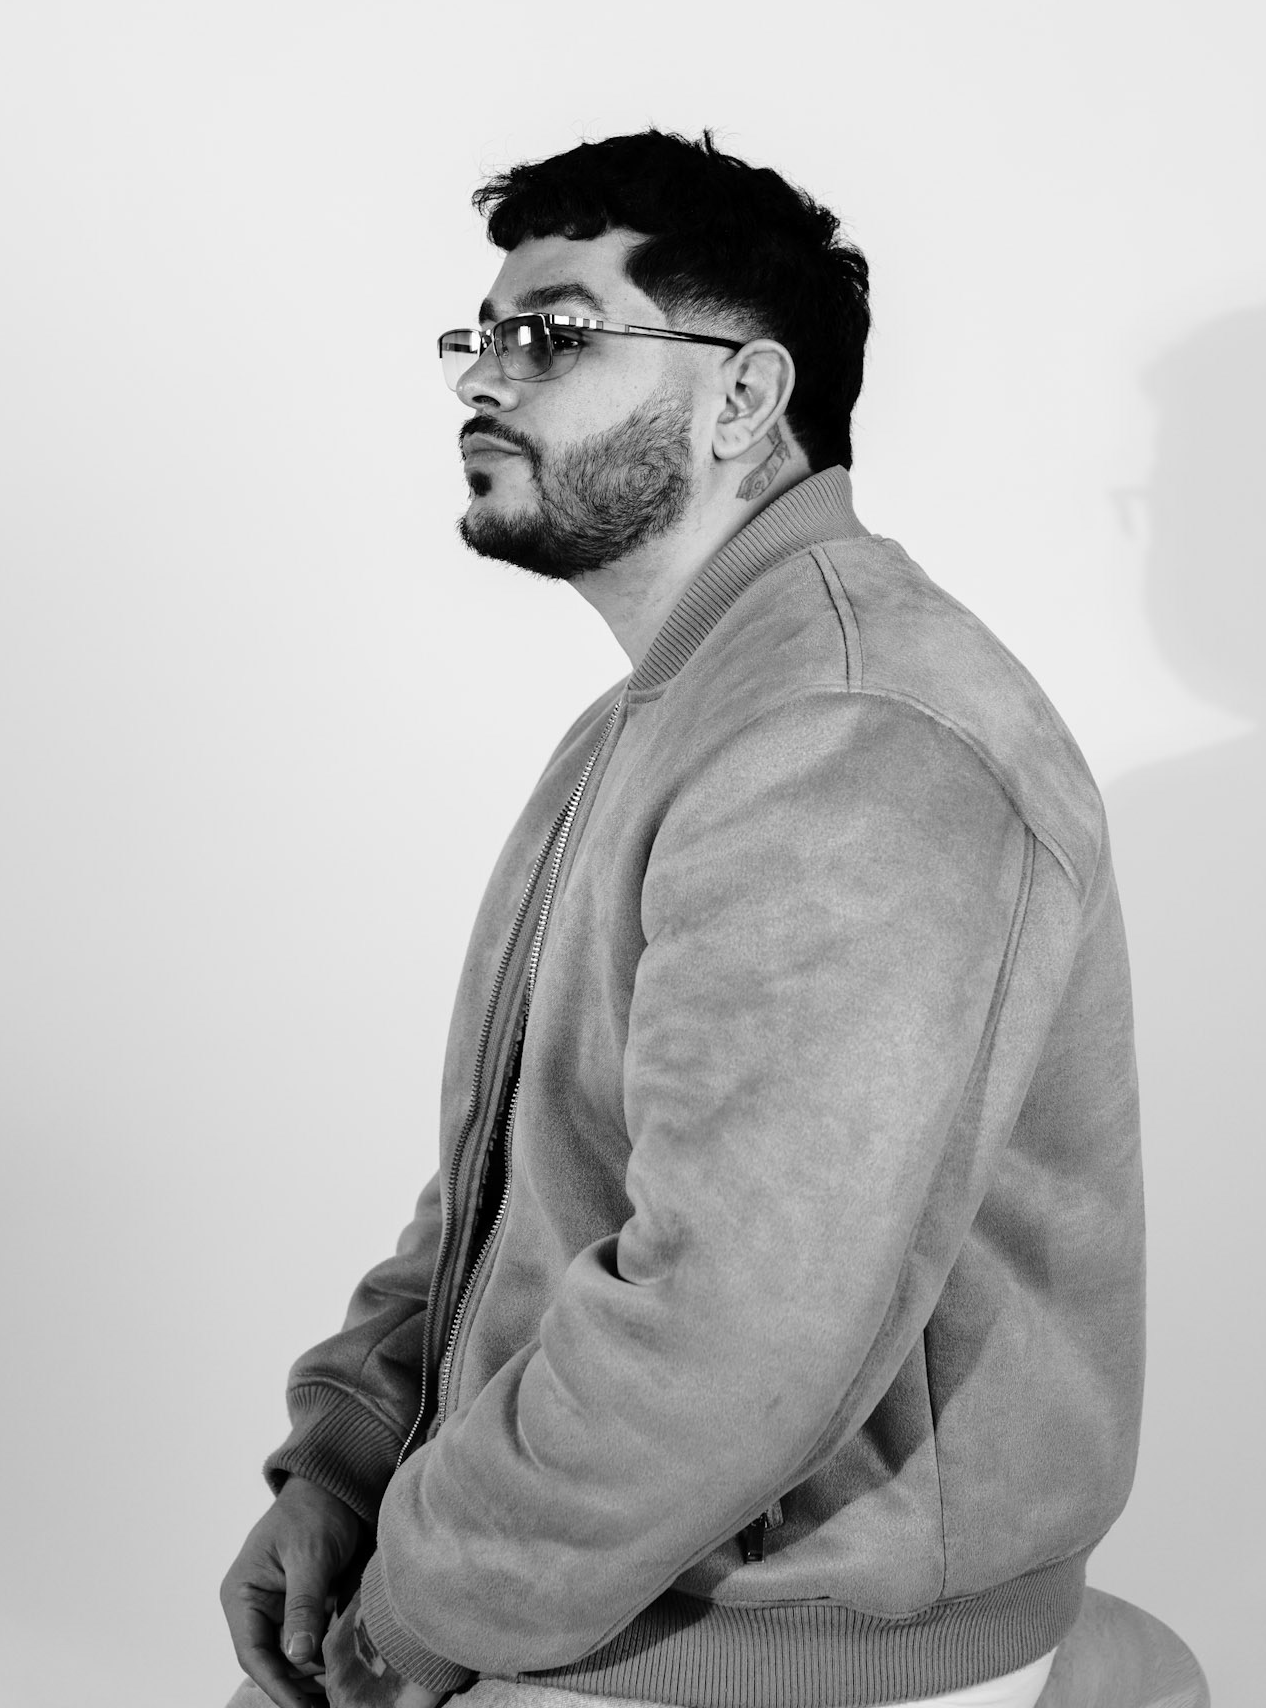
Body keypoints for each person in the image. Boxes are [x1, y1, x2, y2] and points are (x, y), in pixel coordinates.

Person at [220, 130, 1145, 1708]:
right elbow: (515, 1179)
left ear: (742, 397)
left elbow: (731, 1325)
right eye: (479, 339)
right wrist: (346, 1465)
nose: (483, 381)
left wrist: (421, 1604)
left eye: (552, 335)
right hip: (600, 1602)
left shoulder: (847, 731)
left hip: (764, 1649)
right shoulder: (671, 714)